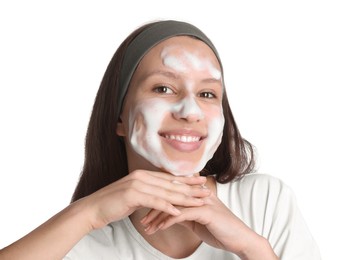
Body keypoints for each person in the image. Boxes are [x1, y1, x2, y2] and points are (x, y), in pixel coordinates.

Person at [0, 20, 320, 260]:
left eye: (207, 93)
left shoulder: (264, 202)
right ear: (119, 117)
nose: (190, 111)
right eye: (163, 88)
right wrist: (90, 213)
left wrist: (251, 247)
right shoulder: (82, 241)